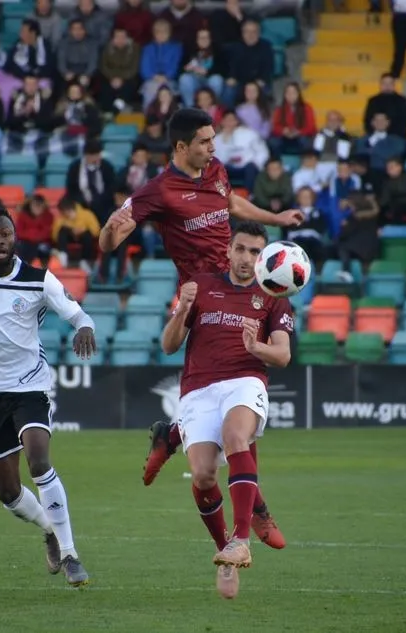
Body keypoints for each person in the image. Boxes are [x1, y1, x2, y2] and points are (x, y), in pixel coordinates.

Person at [97, 107, 304, 545]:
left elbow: (230, 203)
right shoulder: (159, 190)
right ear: (180, 147)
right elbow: (113, 233)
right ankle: (256, 512)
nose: (213, 147)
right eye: (205, 141)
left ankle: (173, 434)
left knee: (244, 396)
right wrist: (111, 234)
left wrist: (275, 219)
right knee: (227, 396)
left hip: (244, 280)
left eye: (213, 139)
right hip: (203, 291)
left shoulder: (215, 170)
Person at [0, 205, 96, 588]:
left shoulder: (37, 279)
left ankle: (70, 554)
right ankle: (47, 528)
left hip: (29, 385)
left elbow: (77, 313)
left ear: (15, 238)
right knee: (7, 491)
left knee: (39, 460)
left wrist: (84, 327)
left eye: (5, 234)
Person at [160, 221, 294, 599]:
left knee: (236, 435)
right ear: (228, 251)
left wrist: (258, 349)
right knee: (203, 475)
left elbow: (282, 354)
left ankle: (241, 539)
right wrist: (182, 309)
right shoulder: (200, 286)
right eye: (241, 249)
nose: (247, 258)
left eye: (255, 252)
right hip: (198, 389)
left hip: (245, 379)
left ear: (264, 257)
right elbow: (169, 346)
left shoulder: (275, 295)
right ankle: (227, 552)